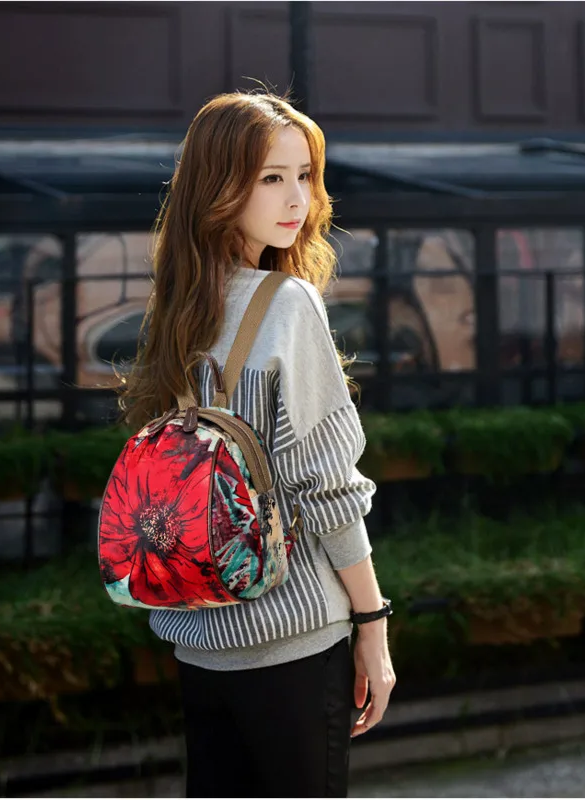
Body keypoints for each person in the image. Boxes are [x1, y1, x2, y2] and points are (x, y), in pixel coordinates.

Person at [117, 89, 396, 798]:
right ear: (219, 186)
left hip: (198, 636)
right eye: (272, 177)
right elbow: (328, 487)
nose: (297, 198)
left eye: (305, 175)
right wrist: (372, 621)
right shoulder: (288, 302)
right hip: (293, 635)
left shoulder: (178, 307)